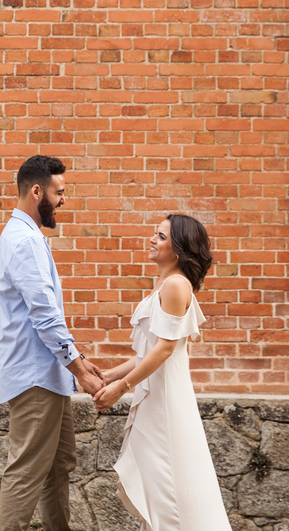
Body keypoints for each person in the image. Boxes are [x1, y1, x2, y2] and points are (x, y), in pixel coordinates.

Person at [92, 214, 231, 531]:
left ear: (180, 248)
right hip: (157, 397)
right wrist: (107, 376)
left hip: (165, 401)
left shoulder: (175, 285)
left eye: (161, 236)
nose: (152, 239)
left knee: (170, 484)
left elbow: (165, 349)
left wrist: (121, 387)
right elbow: (147, 352)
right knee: (162, 485)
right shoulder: (168, 285)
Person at [0, 155, 104, 531]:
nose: (63, 201)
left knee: (58, 466)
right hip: (36, 376)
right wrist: (80, 371)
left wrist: (79, 362)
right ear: (37, 190)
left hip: (48, 374)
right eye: (59, 192)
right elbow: (44, 316)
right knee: (27, 471)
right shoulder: (25, 241)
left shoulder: (27, 237)